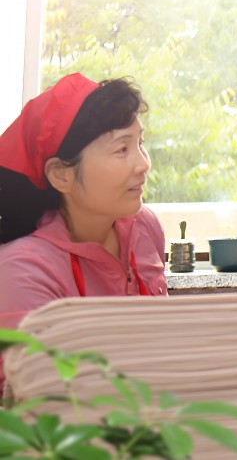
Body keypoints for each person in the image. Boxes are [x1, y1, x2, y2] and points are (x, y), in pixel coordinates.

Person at [0, 74, 167, 389]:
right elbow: (46, 403)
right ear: (61, 176)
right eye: (121, 149)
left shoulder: (145, 228)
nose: (143, 164)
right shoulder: (22, 272)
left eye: (140, 144)